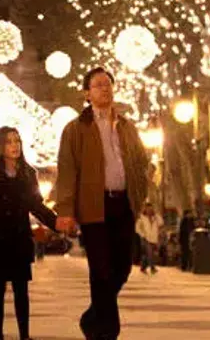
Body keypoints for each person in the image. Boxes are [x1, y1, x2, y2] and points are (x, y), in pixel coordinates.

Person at [56, 67, 151, 340]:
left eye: (108, 84)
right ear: (87, 94)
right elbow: (67, 171)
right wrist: (65, 211)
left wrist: (142, 190)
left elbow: (140, 161)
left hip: (124, 204)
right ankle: (107, 332)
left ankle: (91, 317)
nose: (105, 89)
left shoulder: (126, 125)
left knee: (121, 267)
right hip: (93, 207)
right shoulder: (75, 129)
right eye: (98, 85)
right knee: (100, 269)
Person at [0, 127, 64, 340]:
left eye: (17, 141)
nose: (15, 146)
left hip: (19, 238)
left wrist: (56, 223)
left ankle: (24, 335)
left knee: (21, 289)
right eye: (9, 142)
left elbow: (37, 206)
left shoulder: (28, 173)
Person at [136, 203, 163, 275]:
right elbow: (137, 228)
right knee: (149, 252)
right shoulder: (141, 217)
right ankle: (152, 268)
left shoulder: (156, 217)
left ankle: (143, 267)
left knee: (147, 254)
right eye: (148, 209)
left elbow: (161, 223)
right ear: (145, 209)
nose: (149, 210)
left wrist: (157, 215)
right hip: (145, 238)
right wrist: (142, 235)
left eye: (151, 208)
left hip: (154, 238)